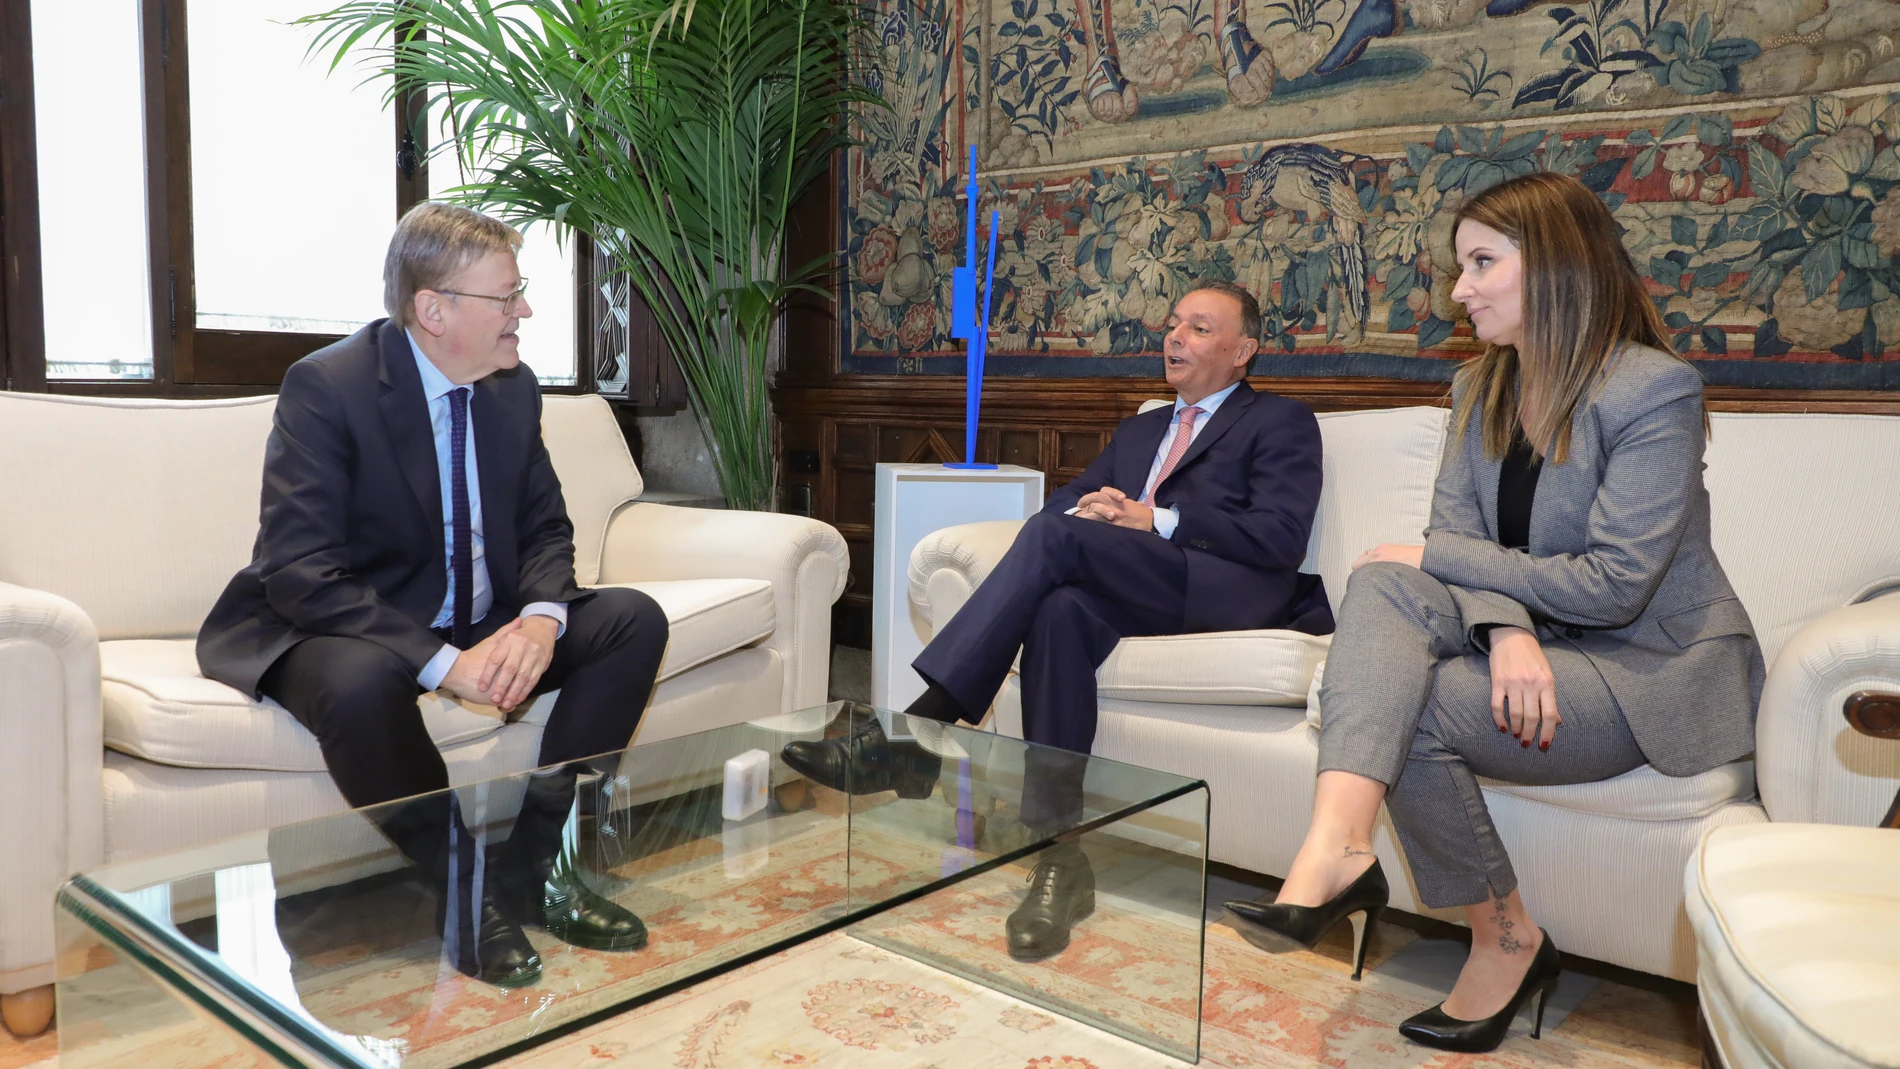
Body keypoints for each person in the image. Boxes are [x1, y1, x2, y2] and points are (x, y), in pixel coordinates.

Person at [1224, 171, 1764, 1053]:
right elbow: (1449, 536)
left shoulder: (1653, 389)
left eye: (1480, 263)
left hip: (1645, 670)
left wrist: (1441, 561)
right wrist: (1506, 629)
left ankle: (1504, 941)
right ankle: (1339, 849)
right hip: (1540, 640)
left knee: (1417, 651)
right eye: (1459, 266)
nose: (1459, 289)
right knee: (1385, 582)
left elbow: (1613, 583)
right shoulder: (1479, 388)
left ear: (1553, 266)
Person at [783, 280, 1333, 962]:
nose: (1174, 337)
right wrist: (1093, 514)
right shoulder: (1140, 430)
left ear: (1243, 350)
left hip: (1226, 590)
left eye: (1197, 327)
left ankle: (922, 728)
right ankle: (1058, 858)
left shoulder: (1279, 421)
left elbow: (1278, 537)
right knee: (1057, 610)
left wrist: (1153, 518)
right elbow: (1061, 507)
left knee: (1054, 543)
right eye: (1172, 323)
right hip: (1134, 586)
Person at [197, 202, 671, 989]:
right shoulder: (329, 387)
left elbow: (548, 527)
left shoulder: (511, 389)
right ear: (433, 309)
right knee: (356, 684)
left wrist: (542, 622)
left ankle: (536, 868)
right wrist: (443, 662)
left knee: (631, 620)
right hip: (339, 619)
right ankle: (467, 892)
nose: (525, 311)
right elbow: (300, 569)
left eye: (520, 293)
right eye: (508, 296)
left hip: (475, 613)